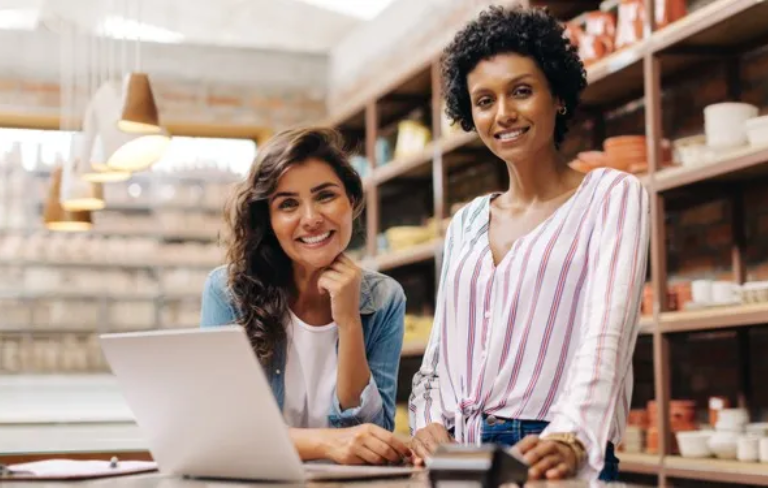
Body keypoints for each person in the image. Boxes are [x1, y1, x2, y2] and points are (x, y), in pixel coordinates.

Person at [408, 6, 650, 482]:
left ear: (556, 96)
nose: (504, 114)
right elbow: (438, 355)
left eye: (521, 91)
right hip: (461, 457)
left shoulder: (611, 196)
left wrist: (572, 435)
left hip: (552, 450)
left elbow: (608, 335)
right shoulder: (466, 222)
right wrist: (427, 422)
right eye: (483, 100)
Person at [200, 127, 411, 466]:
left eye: (325, 196)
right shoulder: (227, 292)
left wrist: (349, 322)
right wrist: (327, 444)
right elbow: (221, 429)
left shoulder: (385, 298)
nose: (311, 219)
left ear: (351, 202)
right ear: (268, 220)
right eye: (288, 204)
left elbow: (372, 436)